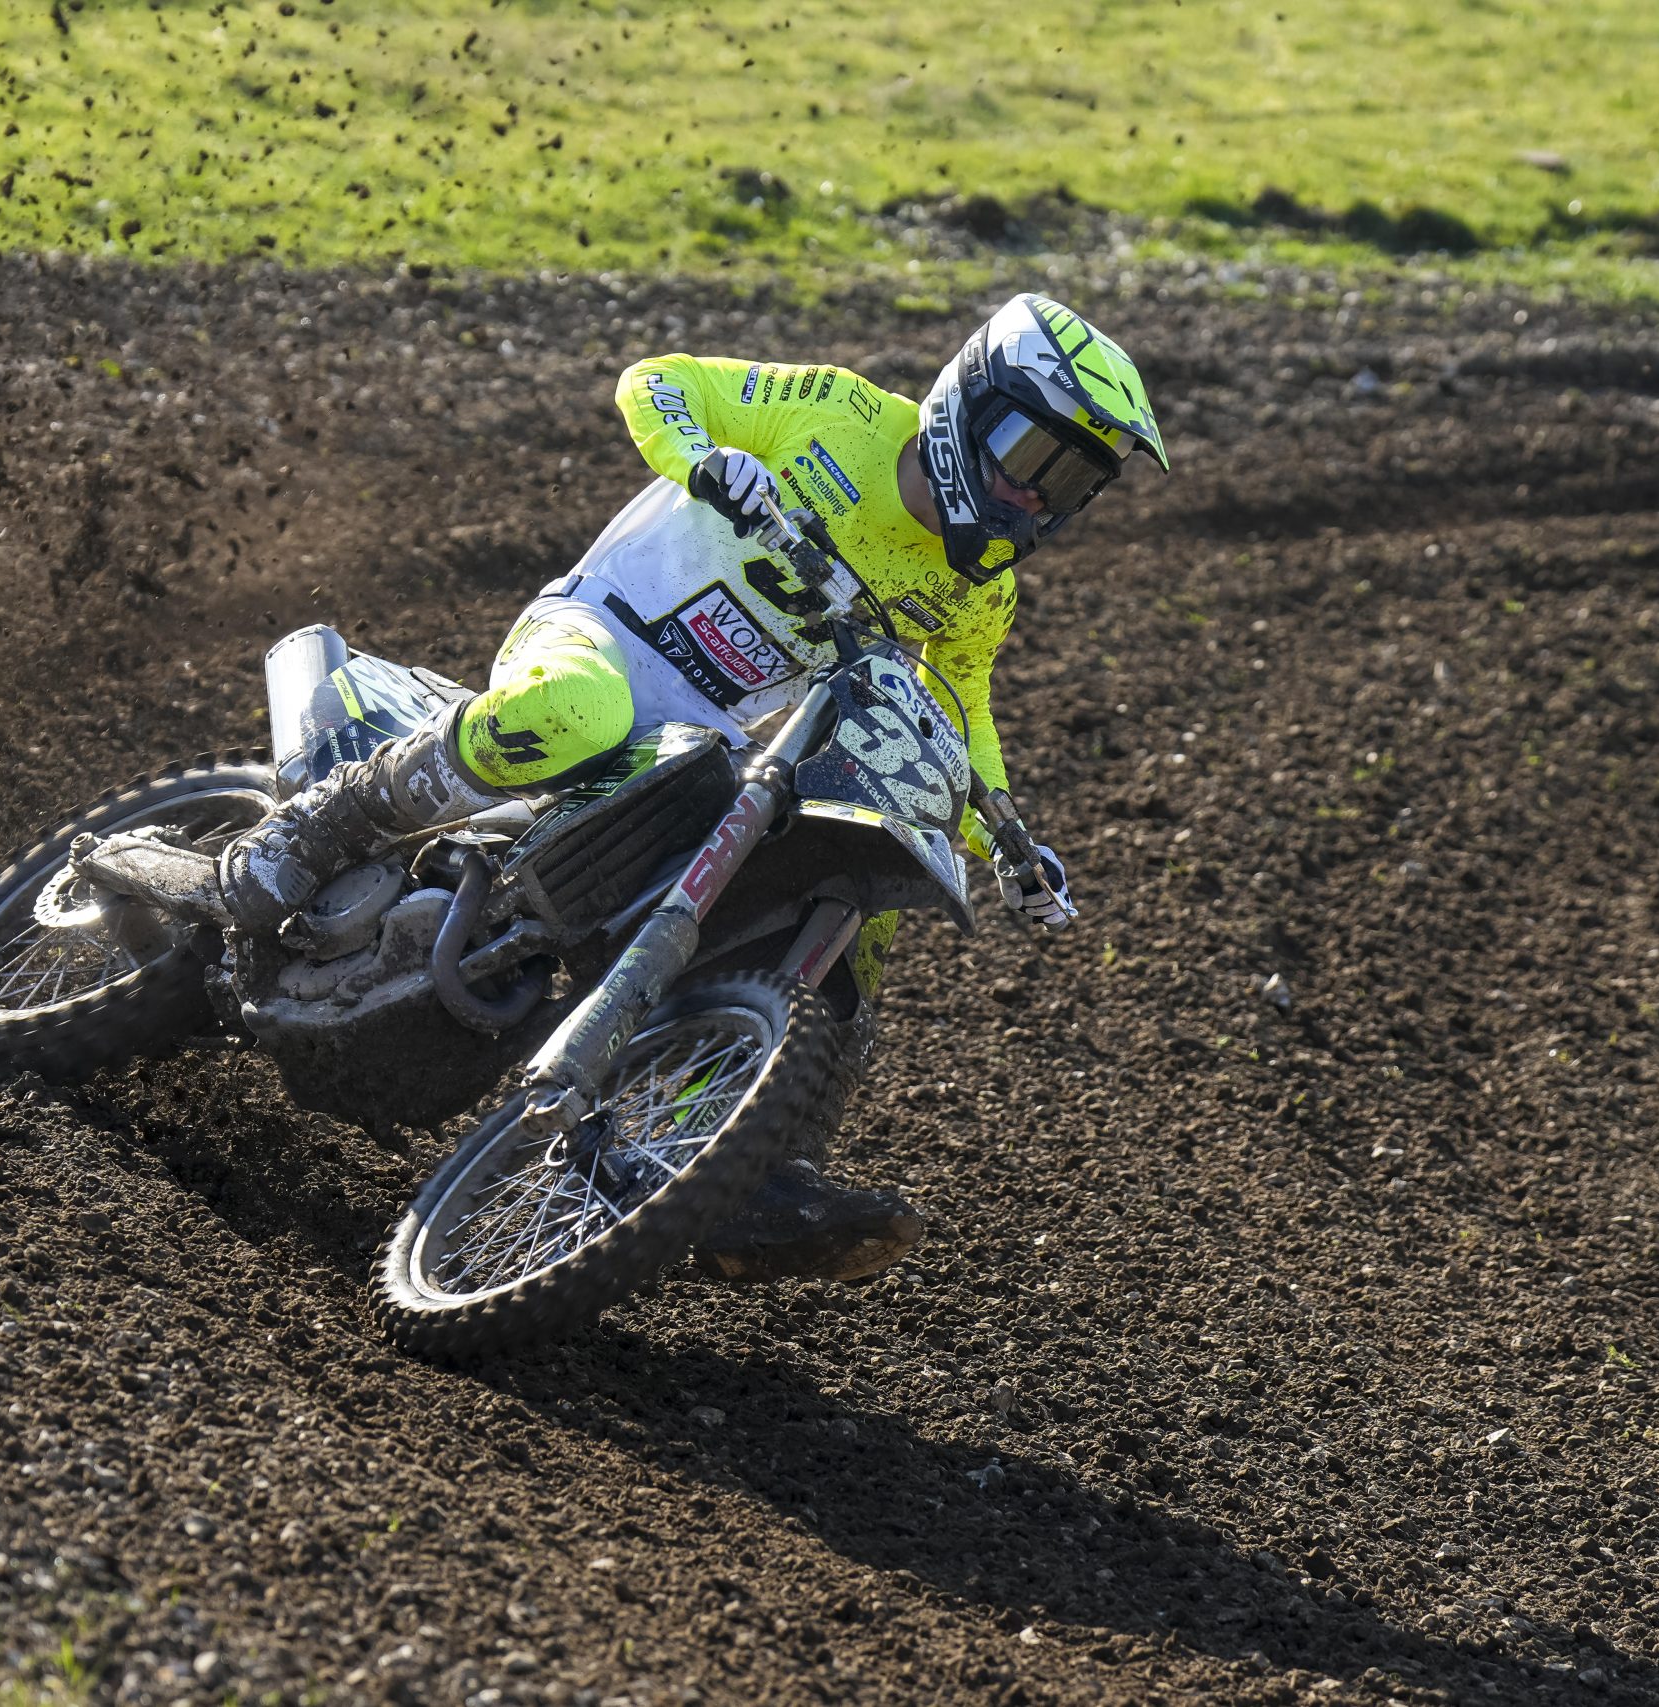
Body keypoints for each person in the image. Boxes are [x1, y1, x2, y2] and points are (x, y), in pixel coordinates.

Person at [220, 292, 1168, 1281]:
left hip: (700, 740)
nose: (1036, 498)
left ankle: (752, 1152)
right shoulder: (835, 412)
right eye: (1030, 458)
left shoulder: (980, 591)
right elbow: (657, 382)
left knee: (850, 890)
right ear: (969, 404)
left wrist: (1004, 837)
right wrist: (703, 459)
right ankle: (324, 824)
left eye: (1069, 484)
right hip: (600, 635)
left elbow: (958, 708)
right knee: (577, 711)